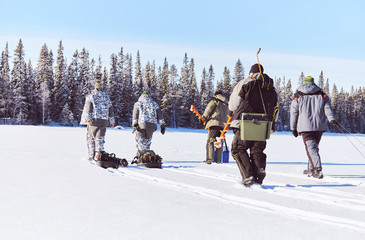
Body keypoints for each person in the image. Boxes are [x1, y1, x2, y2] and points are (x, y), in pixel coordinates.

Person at [228, 63, 278, 187]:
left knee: (238, 149)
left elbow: (234, 103)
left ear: (251, 72)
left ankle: (248, 176)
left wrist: (231, 113)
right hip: (263, 124)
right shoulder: (271, 87)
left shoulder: (245, 82)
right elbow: (276, 108)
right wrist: (272, 124)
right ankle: (259, 173)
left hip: (244, 122)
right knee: (257, 150)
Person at [290, 76, 338, 179]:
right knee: (313, 148)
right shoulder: (322, 94)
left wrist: (293, 127)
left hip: (305, 126)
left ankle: (317, 169)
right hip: (319, 126)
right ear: (313, 83)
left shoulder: (298, 95)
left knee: (311, 148)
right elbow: (327, 108)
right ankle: (311, 169)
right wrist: (331, 119)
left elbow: (294, 112)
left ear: (304, 83)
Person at [80, 79, 115, 161]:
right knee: (100, 139)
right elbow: (110, 109)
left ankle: (91, 156)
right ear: (101, 87)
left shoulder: (91, 96)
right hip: (103, 121)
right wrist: (112, 121)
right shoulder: (106, 97)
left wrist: (87, 119)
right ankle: (98, 156)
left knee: (91, 138)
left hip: (93, 121)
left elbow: (88, 108)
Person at [132, 91, 166, 158]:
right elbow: (160, 114)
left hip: (141, 124)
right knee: (147, 142)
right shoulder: (154, 104)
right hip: (152, 125)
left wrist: (135, 123)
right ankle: (147, 157)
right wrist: (162, 124)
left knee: (140, 141)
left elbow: (135, 114)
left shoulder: (138, 103)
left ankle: (142, 157)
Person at [201, 91, 229, 164]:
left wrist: (204, 117)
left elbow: (208, 109)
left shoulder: (214, 100)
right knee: (219, 142)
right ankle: (218, 160)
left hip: (214, 123)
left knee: (211, 141)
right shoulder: (226, 103)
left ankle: (210, 159)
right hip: (223, 126)